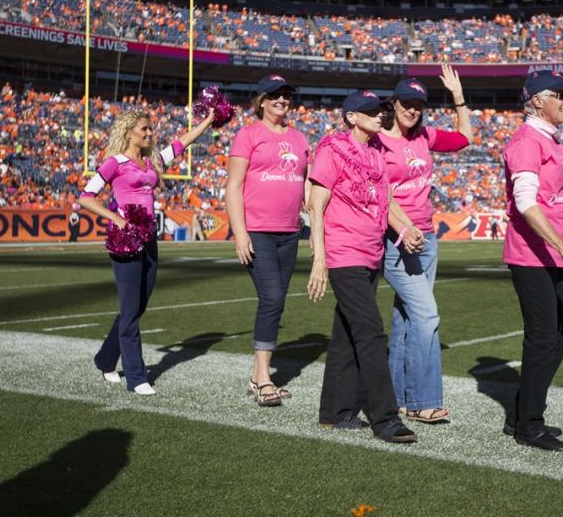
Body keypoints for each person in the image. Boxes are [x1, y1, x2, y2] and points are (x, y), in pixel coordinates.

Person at [307, 90, 422, 444]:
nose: (380, 116)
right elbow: (315, 204)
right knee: (371, 332)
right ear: (351, 117)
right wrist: (320, 259)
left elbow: (383, 202)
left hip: (370, 251)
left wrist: (404, 228)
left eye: (381, 111)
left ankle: (335, 411)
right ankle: (385, 418)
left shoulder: (376, 152)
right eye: (371, 112)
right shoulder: (332, 148)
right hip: (343, 253)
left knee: (346, 333)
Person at [78, 109, 215, 395]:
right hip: (125, 240)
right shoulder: (115, 163)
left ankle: (105, 360)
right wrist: (115, 218)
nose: (150, 133)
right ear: (130, 132)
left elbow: (181, 143)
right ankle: (137, 377)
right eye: (145, 129)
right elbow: (85, 198)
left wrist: (208, 121)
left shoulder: (151, 161)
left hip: (149, 239)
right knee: (130, 310)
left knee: (137, 306)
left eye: (151, 129)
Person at [501, 70, 563, 451]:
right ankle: (529, 425)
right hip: (531, 253)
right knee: (543, 338)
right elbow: (525, 203)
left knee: (561, 331)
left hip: (549, 253)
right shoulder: (527, 141)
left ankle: (524, 411)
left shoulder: (550, 140)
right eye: (562, 94)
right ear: (538, 100)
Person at [378, 66, 473, 424]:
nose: (413, 109)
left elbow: (464, 138)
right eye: (407, 102)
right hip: (396, 240)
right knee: (427, 315)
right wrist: (404, 231)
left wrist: (458, 97)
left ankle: (399, 398)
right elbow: (382, 195)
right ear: (395, 102)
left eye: (419, 104)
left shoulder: (425, 136)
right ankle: (423, 401)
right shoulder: (379, 140)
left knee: (405, 319)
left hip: (427, 239)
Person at [226, 75, 311, 407]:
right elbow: (233, 186)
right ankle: (262, 378)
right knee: (273, 297)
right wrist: (240, 233)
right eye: (275, 95)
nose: (282, 100)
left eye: (287, 95)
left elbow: (303, 184)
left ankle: (258, 374)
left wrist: (316, 220)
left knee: (276, 301)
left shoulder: (300, 138)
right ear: (261, 99)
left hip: (290, 233)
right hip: (257, 230)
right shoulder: (248, 135)